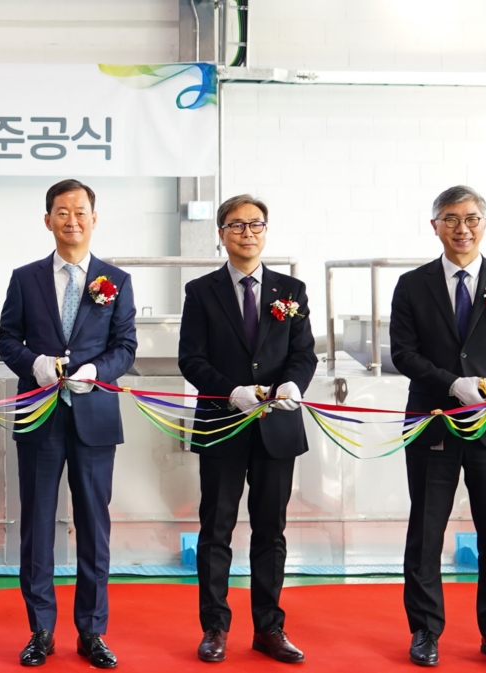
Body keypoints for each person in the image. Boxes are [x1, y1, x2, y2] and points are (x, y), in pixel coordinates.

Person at [389, 185, 486, 669]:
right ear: (435, 226)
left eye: (471, 218)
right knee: (426, 531)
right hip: (433, 423)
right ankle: (425, 631)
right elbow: (404, 353)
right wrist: (452, 383)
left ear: (484, 224)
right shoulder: (412, 285)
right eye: (450, 219)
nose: (462, 228)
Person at [0, 179, 137, 669]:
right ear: (47, 220)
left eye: (80, 211)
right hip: (39, 416)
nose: (71, 220)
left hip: (94, 417)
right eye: (62, 211)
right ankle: (40, 630)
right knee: (36, 525)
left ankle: (92, 631)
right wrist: (33, 363)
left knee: (94, 526)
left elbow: (125, 346)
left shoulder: (116, 280)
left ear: (94, 219)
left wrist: (97, 371)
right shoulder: (25, 278)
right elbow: (6, 338)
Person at [177, 194, 316, 664]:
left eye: (255, 224)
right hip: (222, 424)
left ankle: (269, 628)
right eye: (236, 225)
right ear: (221, 234)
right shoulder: (201, 291)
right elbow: (191, 359)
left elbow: (304, 353)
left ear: (266, 231)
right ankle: (215, 627)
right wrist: (230, 391)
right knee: (215, 529)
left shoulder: (291, 290)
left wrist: (294, 384)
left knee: (270, 531)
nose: (247, 232)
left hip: (278, 427)